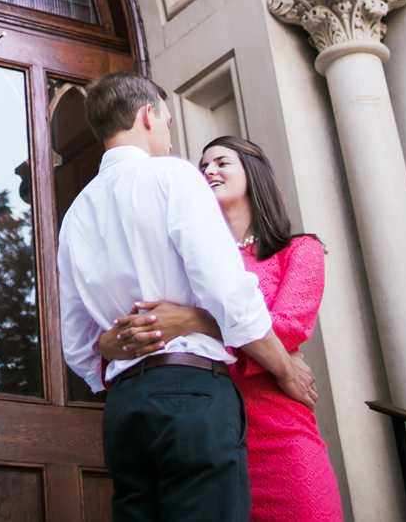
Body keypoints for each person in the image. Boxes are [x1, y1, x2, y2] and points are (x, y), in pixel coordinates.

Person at [57, 74, 317, 522]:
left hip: (123, 408)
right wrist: (286, 369)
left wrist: (115, 352)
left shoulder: (76, 211)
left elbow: (79, 347)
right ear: (147, 116)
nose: (172, 140)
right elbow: (228, 292)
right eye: (169, 123)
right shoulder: (172, 176)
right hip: (190, 393)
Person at [101, 136, 342, 522]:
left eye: (221, 162)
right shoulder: (184, 259)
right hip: (205, 435)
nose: (208, 170)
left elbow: (286, 328)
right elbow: (155, 324)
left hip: (282, 437)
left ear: (254, 174)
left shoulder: (299, 251)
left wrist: (194, 320)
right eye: (203, 165)